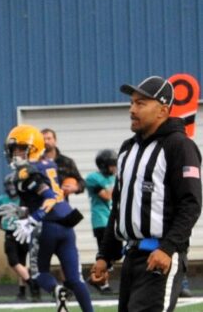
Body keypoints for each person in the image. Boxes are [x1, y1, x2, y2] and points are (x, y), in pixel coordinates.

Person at [92, 75, 202, 311]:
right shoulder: (127, 149)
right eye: (132, 103)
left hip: (159, 256)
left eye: (140, 103)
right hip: (131, 256)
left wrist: (167, 247)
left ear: (163, 110)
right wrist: (106, 255)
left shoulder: (179, 146)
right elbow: (119, 206)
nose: (132, 109)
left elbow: (191, 204)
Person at [2, 124, 92, 312]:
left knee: (39, 273)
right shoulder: (49, 164)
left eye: (19, 148)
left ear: (32, 148)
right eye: (14, 149)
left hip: (46, 227)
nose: (15, 153)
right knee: (75, 279)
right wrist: (22, 211)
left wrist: (33, 219)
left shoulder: (27, 171)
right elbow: (41, 197)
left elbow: (49, 197)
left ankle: (57, 290)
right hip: (66, 226)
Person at [0, 173, 40, 302]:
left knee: (14, 262)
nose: (11, 188)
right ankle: (22, 291)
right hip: (21, 233)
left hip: (18, 234)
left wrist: (7, 229)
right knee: (21, 263)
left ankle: (32, 285)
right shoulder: (10, 200)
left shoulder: (18, 199)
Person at [85, 149, 119, 294]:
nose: (114, 168)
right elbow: (107, 196)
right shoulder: (93, 178)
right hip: (101, 220)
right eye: (112, 165)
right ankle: (102, 282)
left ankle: (94, 277)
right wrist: (119, 183)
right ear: (104, 165)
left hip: (113, 220)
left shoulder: (113, 177)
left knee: (117, 254)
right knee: (105, 254)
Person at [41, 128, 85, 199]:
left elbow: (81, 181)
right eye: (43, 139)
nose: (46, 142)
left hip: (62, 203)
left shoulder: (66, 162)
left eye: (49, 138)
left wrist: (76, 187)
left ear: (55, 140)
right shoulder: (36, 162)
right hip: (43, 203)